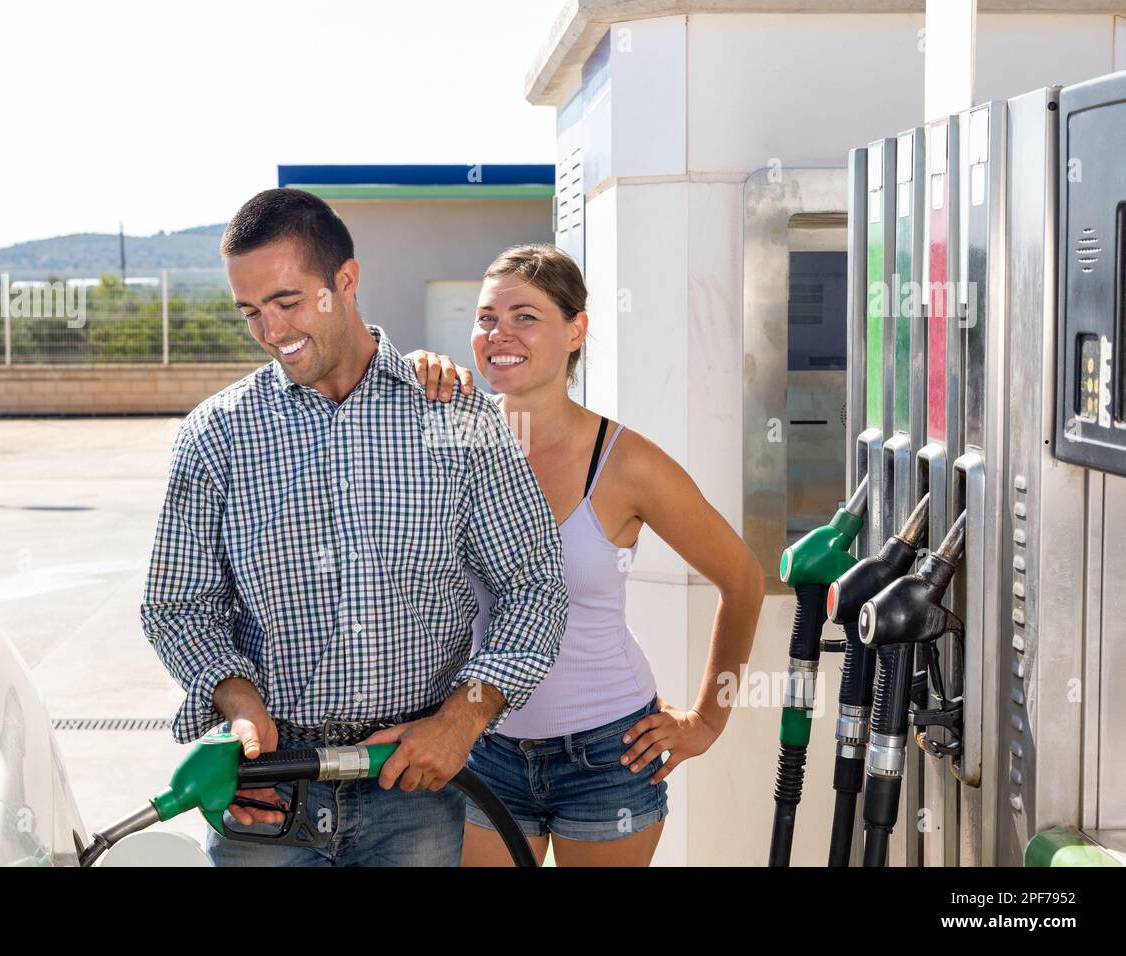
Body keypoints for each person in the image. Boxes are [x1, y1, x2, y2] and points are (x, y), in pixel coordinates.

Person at [140, 190, 569, 866]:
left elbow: (534, 584)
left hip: (418, 786)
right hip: (269, 794)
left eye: (287, 302)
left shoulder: (456, 414)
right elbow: (177, 606)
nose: (271, 330)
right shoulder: (216, 437)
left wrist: (462, 720)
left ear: (346, 281)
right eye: (251, 311)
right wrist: (241, 703)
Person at [407, 244, 765, 866]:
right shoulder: (449, 437)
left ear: (576, 330)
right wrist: (407, 367)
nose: (499, 334)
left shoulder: (626, 463)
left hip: (608, 753)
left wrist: (708, 720)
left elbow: (742, 579)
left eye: (525, 316)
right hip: (476, 740)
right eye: (487, 317)